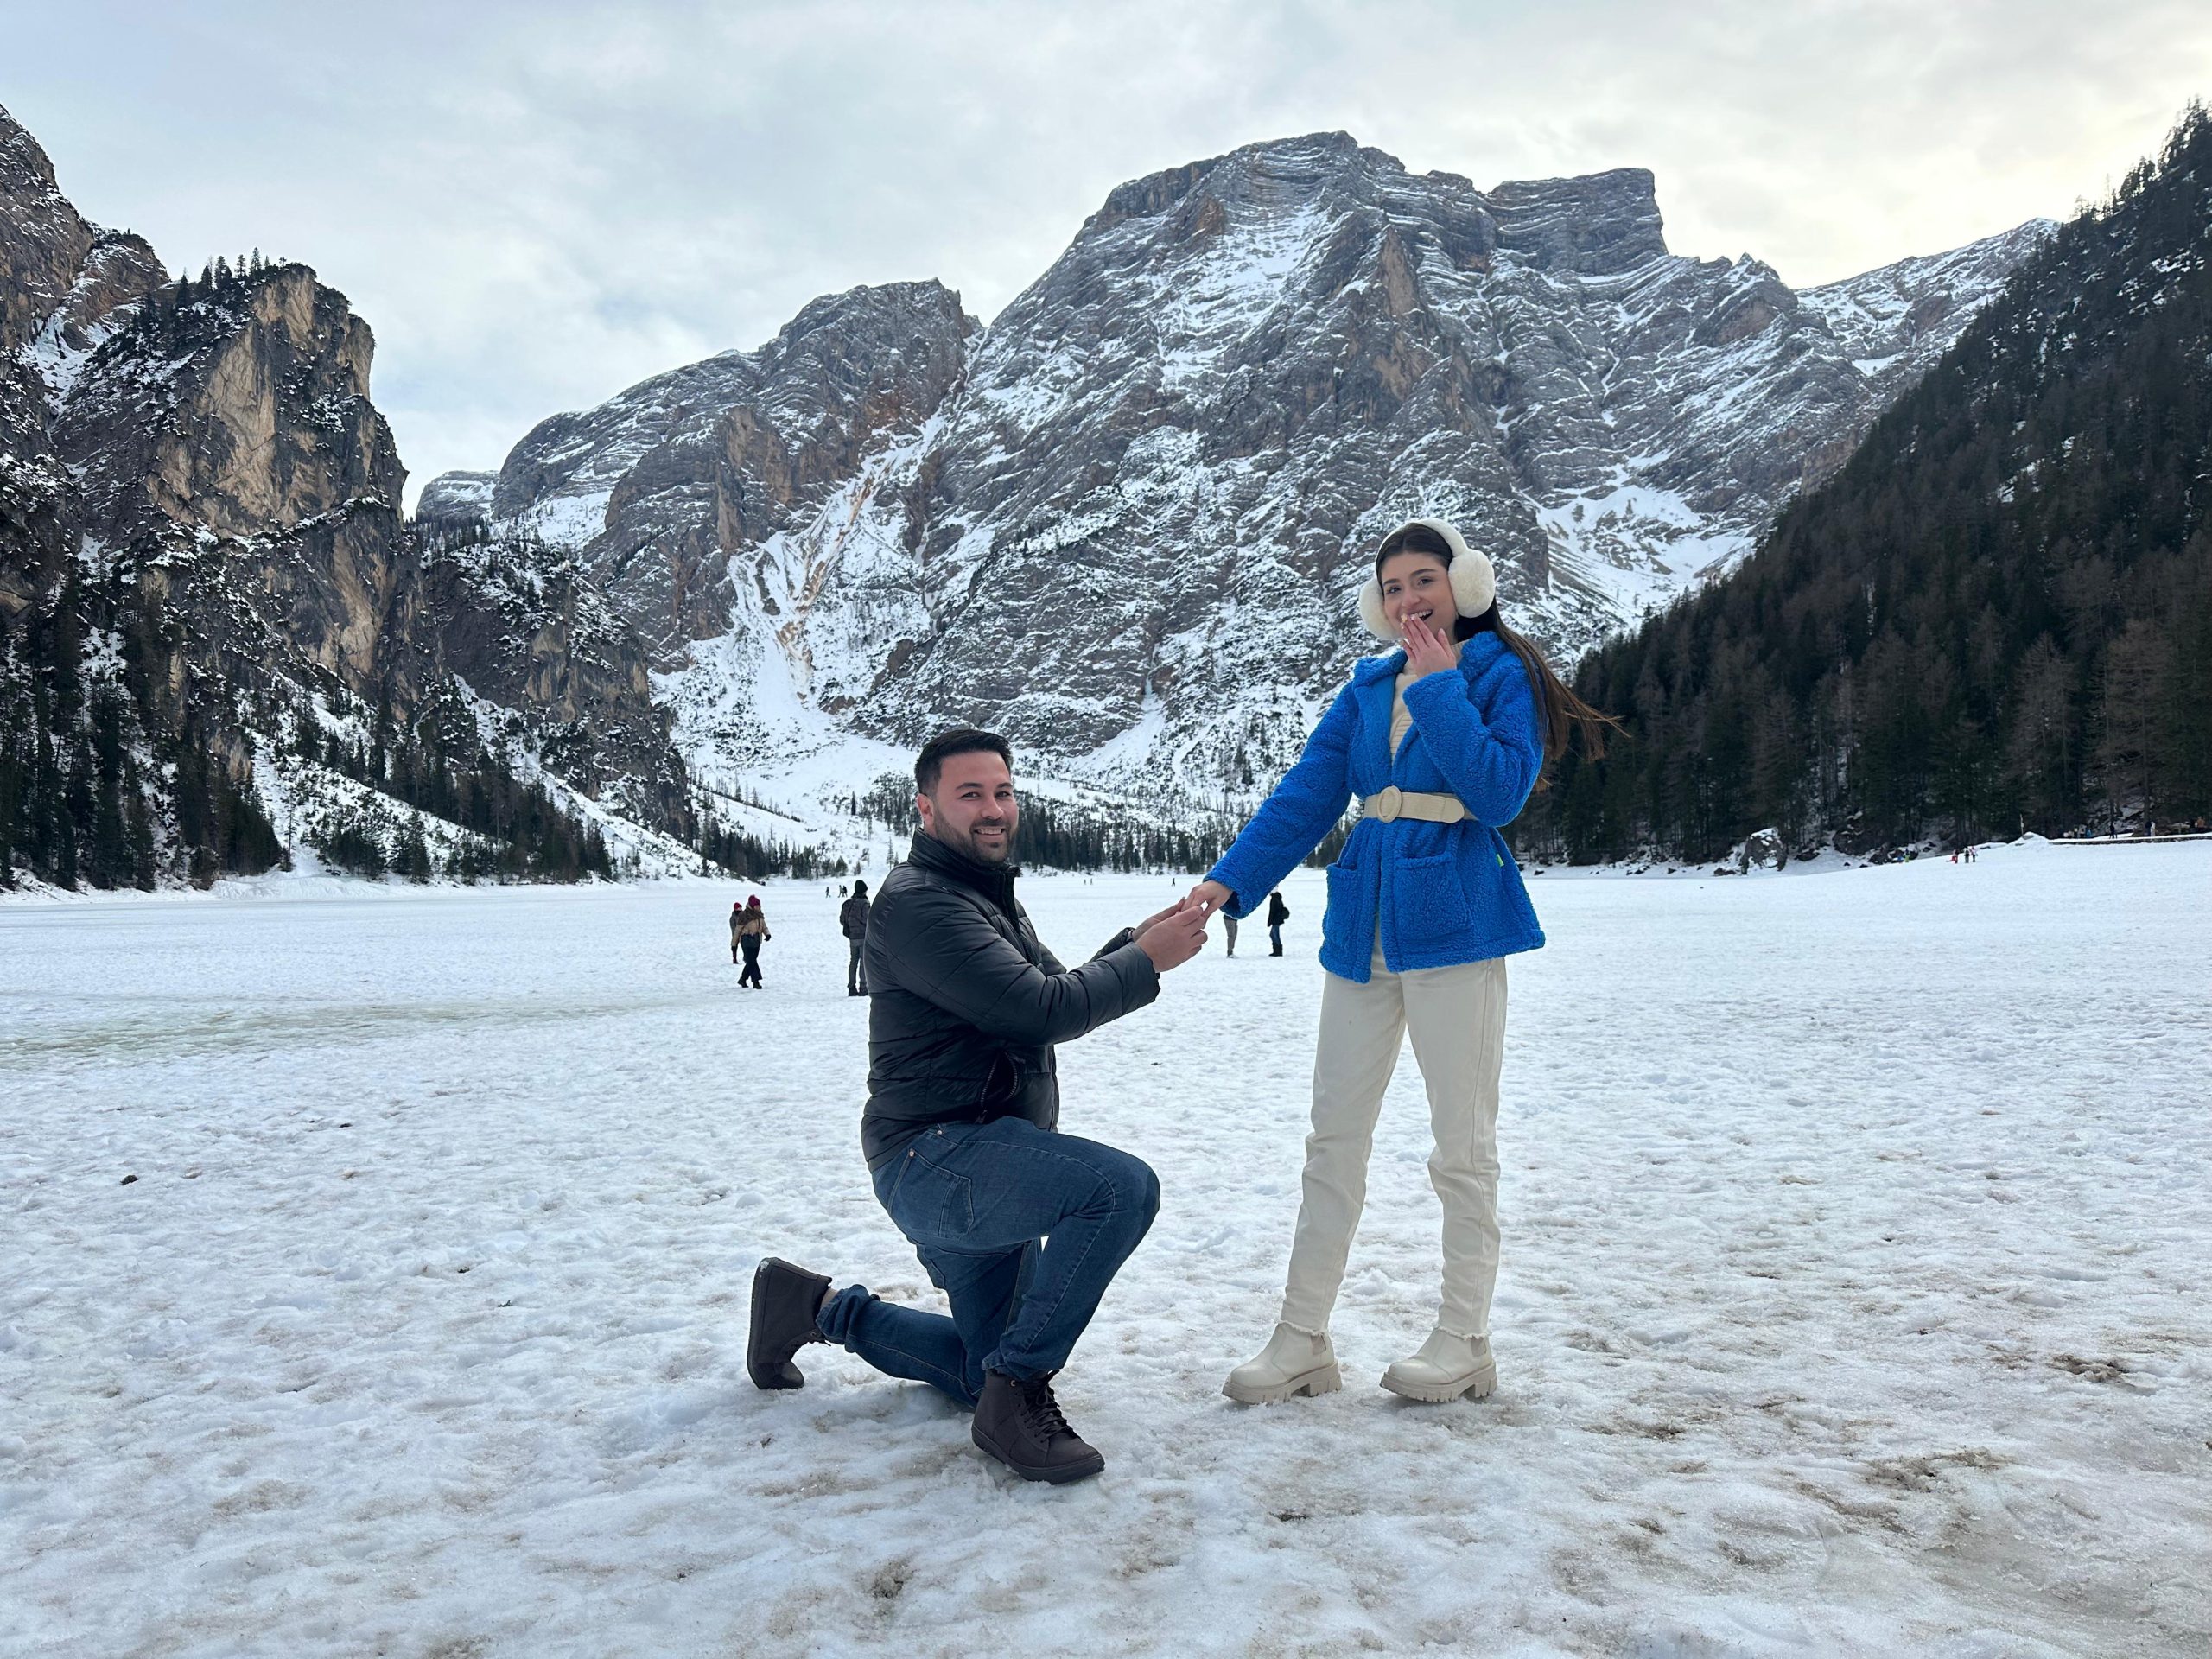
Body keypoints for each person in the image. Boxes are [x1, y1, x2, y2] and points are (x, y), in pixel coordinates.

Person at [1188, 518, 1613, 1407]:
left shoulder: (1497, 673)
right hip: (1360, 939)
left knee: (1461, 1150)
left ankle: (1464, 1340)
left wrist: (1440, 687)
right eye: (1391, 588)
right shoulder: (1364, 688)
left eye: (1423, 579)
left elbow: (1496, 793)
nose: (1408, 598)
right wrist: (1225, 887)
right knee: (1331, 1142)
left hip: (1455, 929)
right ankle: (1301, 1337)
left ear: (1462, 584)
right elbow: (1304, 798)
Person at [747, 728, 1208, 1484]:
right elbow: (1042, 1011)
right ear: (926, 809)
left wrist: (1136, 942)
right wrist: (1146, 961)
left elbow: (1058, 989)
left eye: (1002, 792)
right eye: (970, 795)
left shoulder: (983, 897)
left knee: (971, 1365)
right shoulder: (922, 904)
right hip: (936, 1158)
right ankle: (1018, 1393)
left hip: (988, 1156)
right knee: (1119, 1189)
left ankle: (813, 1307)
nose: (993, 809)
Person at [839, 879, 873, 995]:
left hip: (852, 937)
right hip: (863, 936)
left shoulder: (847, 904)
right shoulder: (865, 904)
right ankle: (863, 987)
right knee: (863, 962)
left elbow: (842, 920)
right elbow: (867, 920)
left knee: (853, 961)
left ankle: (851, 987)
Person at [736, 895, 770, 988]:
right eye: (756, 906)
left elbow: (764, 927)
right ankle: (756, 982)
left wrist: (767, 934)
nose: (758, 908)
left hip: (756, 941)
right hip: (746, 941)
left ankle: (743, 979)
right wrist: (734, 944)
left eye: (759, 906)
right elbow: (737, 930)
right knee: (752, 961)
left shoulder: (760, 915)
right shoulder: (744, 915)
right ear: (751, 906)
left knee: (751, 962)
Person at [1266, 890, 1290, 956]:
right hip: (1278, 919)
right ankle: (1277, 950)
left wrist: (1269, 922)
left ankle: (1278, 951)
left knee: (1275, 935)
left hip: (1276, 920)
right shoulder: (1277, 897)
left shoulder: (1274, 899)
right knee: (1273, 935)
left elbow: (1272, 912)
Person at [728, 899, 744, 965]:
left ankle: (746, 958)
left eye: (741, 908)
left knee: (745, 946)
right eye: (739, 908)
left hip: (743, 934)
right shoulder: (732, 918)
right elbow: (733, 927)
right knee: (734, 947)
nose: (740, 909)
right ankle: (734, 959)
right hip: (735, 935)